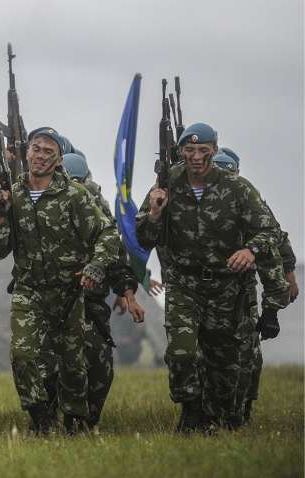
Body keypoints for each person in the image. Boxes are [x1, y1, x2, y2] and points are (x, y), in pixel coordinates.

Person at [136, 123, 288, 432]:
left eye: (203, 151)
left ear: (214, 151)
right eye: (189, 150)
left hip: (227, 287)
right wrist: (154, 213)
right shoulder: (167, 185)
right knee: (181, 351)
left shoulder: (237, 188)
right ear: (180, 152)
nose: (196, 157)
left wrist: (251, 250)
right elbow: (143, 239)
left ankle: (218, 417)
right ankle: (191, 411)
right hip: (184, 286)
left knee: (224, 364)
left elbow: (269, 230)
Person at [0, 127, 121, 435]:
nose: (41, 156)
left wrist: (96, 265)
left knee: (73, 364)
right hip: (28, 290)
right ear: (26, 152)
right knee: (23, 355)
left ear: (59, 160)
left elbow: (108, 233)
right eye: (36, 148)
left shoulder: (75, 195)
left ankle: (75, 420)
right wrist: (2, 211)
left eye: (49, 151)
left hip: (70, 292)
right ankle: (40, 417)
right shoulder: (13, 194)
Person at [211, 151, 296, 426]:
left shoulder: (251, 203)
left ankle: (240, 411)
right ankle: (206, 412)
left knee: (247, 354)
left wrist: (283, 287)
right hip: (204, 290)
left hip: (241, 290)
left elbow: (276, 242)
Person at [61, 153, 145, 428]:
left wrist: (128, 295)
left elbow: (116, 258)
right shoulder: (44, 207)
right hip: (53, 301)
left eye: (78, 182)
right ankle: (48, 420)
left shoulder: (99, 213)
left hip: (91, 303)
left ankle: (87, 422)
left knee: (99, 366)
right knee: (53, 364)